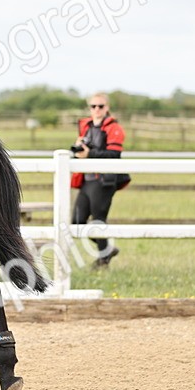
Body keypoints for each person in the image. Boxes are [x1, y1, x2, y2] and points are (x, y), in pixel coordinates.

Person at [70, 93, 129, 266]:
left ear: (107, 108)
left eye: (100, 106)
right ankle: (107, 250)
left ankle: (103, 259)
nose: (97, 109)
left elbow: (114, 154)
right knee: (77, 222)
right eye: (93, 106)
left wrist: (90, 154)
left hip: (104, 180)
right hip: (87, 179)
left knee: (98, 220)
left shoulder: (114, 128)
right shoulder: (86, 126)